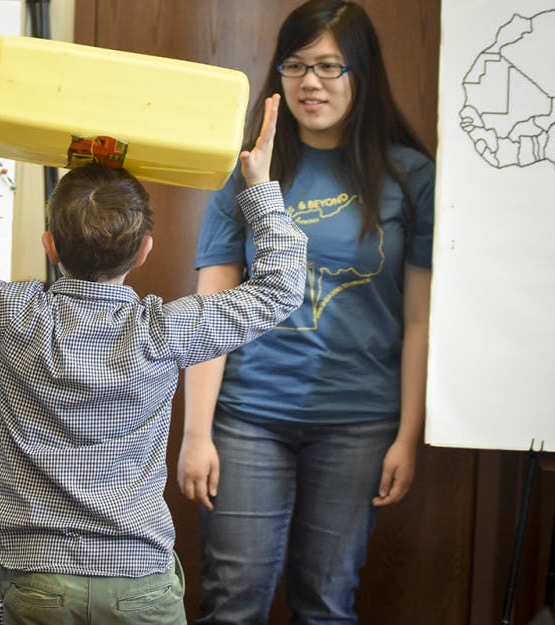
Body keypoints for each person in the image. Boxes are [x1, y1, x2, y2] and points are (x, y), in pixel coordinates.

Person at [0, 80, 307, 624]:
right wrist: (260, 185)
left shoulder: (12, 316)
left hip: (38, 583)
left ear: (49, 244)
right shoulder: (167, 330)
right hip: (140, 586)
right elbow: (281, 286)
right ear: (145, 250)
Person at [178, 1, 435, 623]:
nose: (309, 83)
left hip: (359, 422)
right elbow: (209, 310)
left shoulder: (411, 178)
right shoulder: (245, 172)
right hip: (248, 419)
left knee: (326, 604)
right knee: (231, 603)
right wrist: (195, 432)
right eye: (294, 66)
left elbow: (423, 319)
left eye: (328, 66)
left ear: (361, 74)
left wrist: (408, 433)